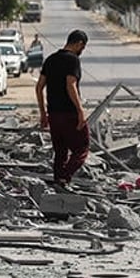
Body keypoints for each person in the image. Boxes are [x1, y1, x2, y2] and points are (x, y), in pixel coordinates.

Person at [36, 30, 90, 189]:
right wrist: (80, 111)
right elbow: (71, 84)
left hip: (53, 113)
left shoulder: (50, 60)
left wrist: (43, 113)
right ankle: (65, 177)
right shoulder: (72, 60)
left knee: (60, 151)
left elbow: (39, 87)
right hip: (70, 113)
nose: (82, 51)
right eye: (83, 47)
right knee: (82, 148)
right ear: (79, 43)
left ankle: (58, 182)